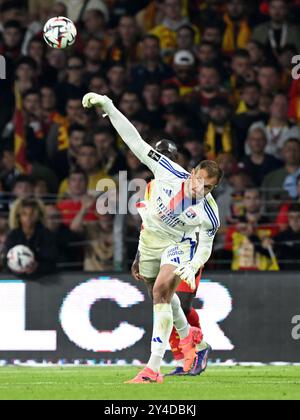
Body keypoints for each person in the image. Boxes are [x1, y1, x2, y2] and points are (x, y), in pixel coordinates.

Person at [83, 92, 222, 383]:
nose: (201, 190)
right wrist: (108, 105)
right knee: (159, 295)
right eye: (199, 182)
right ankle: (191, 340)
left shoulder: (209, 213)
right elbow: (134, 140)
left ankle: (152, 369)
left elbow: (206, 245)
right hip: (150, 243)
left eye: (208, 188)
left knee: (163, 292)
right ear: (192, 172)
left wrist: (193, 265)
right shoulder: (164, 174)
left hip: (180, 245)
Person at [131, 139, 206, 377]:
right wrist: (139, 254)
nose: (163, 157)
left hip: (187, 249)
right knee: (166, 298)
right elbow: (149, 224)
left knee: (180, 301)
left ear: (177, 159)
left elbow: (206, 221)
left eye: (168, 154)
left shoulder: (190, 183)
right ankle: (194, 350)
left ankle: (191, 352)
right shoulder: (153, 186)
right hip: (161, 249)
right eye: (159, 153)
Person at [5, 198, 57, 277]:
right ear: (19, 216)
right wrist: (16, 269)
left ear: (38, 216)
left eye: (32, 214)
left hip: (43, 280)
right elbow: (7, 259)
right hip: (16, 280)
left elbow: (51, 261)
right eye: (24, 214)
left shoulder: (46, 234)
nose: (28, 217)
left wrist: (37, 267)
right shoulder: (13, 235)